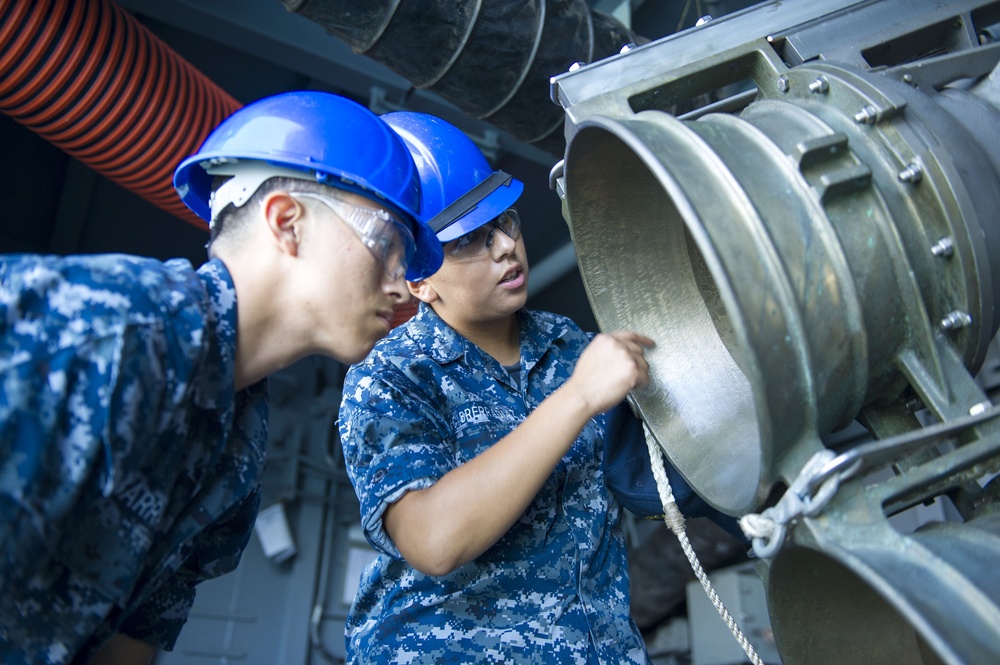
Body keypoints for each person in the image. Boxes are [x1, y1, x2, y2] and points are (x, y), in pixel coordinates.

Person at [0, 91, 443, 665]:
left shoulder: (238, 444)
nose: (400, 284)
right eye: (387, 245)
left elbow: (133, 638)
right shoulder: (105, 329)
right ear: (288, 223)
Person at [338, 111, 655, 664]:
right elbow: (434, 540)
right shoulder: (391, 377)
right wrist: (578, 398)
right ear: (418, 280)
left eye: (505, 222)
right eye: (470, 242)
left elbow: (654, 481)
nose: (506, 247)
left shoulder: (570, 347)